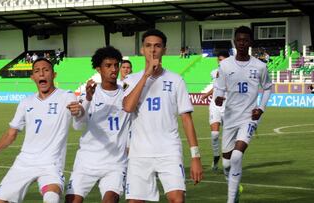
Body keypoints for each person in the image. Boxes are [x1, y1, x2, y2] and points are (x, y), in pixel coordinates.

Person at [0, 58, 84, 203]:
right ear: (32, 77)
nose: (41, 74)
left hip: (51, 163)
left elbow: (79, 118)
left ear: (54, 75)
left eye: (46, 70)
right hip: (24, 162)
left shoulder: (66, 96)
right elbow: (12, 133)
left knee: (52, 198)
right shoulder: (26, 102)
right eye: (37, 71)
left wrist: (78, 111)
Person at [122, 29, 203, 202]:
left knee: (177, 199)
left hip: (169, 150)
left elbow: (187, 119)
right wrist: (146, 75)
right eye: (148, 46)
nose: (152, 50)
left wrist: (195, 156)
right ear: (142, 50)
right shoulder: (130, 80)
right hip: (139, 153)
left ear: (164, 50)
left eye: (157, 46)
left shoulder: (176, 80)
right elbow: (128, 107)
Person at [214, 26, 272, 203]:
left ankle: (231, 200)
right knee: (226, 164)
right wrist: (218, 97)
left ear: (250, 42)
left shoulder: (260, 66)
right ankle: (235, 190)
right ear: (234, 41)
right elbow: (219, 87)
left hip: (249, 117)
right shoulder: (225, 65)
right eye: (239, 40)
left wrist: (260, 108)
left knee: (237, 156)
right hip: (230, 118)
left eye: (245, 40)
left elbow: (268, 88)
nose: (241, 43)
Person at [65, 46, 131, 203]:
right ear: (98, 69)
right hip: (86, 161)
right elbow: (78, 126)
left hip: (115, 163)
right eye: (108, 66)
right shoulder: (88, 94)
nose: (113, 69)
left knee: (110, 200)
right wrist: (87, 99)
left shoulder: (128, 94)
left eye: (116, 65)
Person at [200, 50, 230, 171]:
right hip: (215, 105)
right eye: (219, 59)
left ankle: (227, 161)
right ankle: (216, 156)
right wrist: (207, 94)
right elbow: (216, 86)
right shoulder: (214, 72)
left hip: (228, 106)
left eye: (222, 59)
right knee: (215, 134)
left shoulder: (233, 73)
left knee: (228, 136)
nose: (220, 61)